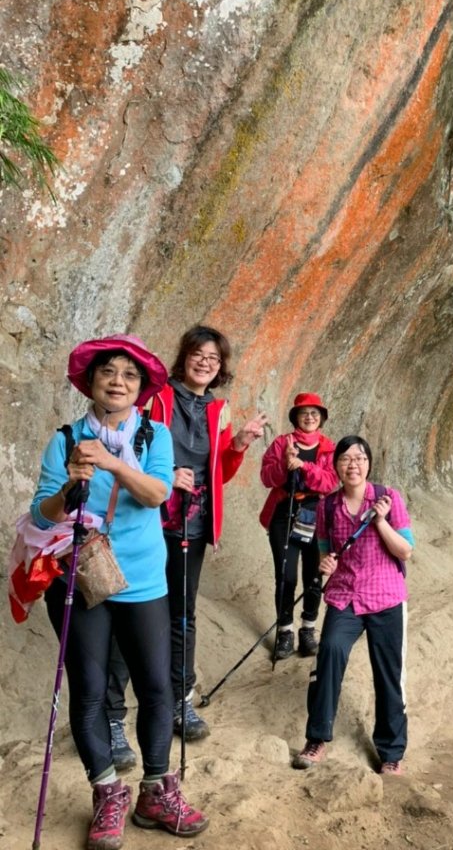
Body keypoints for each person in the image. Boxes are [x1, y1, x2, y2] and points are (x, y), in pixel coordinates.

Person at [30, 334, 208, 850]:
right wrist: (70, 485)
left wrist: (110, 463)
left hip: (144, 580)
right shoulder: (64, 441)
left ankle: (156, 790)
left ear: (141, 390)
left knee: (156, 686)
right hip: (81, 578)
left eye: (129, 376)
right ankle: (107, 792)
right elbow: (43, 511)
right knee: (88, 691)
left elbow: (156, 493)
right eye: (108, 372)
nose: (118, 382)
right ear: (91, 382)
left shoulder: (154, 437)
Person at [107, 325, 268, 763]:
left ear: (220, 368)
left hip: (192, 527)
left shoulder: (218, 410)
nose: (205, 363)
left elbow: (219, 475)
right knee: (132, 613)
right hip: (148, 520)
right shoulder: (156, 398)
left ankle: (180, 700)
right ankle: (112, 717)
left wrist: (237, 445)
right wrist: (165, 476)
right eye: (198, 354)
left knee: (182, 613)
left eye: (214, 359)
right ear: (185, 356)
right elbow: (126, 449)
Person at [293, 435, 414, 775]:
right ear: (336, 467)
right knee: (329, 651)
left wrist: (379, 521)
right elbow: (324, 550)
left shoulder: (389, 498)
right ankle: (317, 738)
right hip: (345, 594)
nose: (353, 464)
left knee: (389, 673)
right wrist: (325, 565)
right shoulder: (327, 507)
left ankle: (391, 752)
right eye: (346, 459)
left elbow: (405, 551)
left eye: (360, 458)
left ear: (369, 464)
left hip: (386, 595)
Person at [260, 393, 338, 659]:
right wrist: (285, 463)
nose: (309, 417)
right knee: (286, 576)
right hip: (286, 512)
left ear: (321, 418)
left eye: (315, 413)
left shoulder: (328, 447)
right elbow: (266, 477)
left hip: (317, 514)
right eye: (304, 413)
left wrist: (303, 466)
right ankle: (285, 630)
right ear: (295, 417)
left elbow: (329, 483)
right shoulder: (283, 443)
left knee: (314, 576)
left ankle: (308, 628)